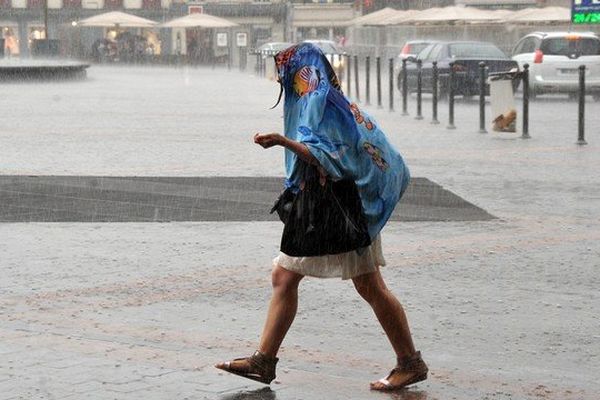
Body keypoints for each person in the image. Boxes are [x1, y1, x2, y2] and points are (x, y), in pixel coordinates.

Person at [215, 43, 427, 391]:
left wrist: (283, 142)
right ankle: (264, 360)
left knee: (363, 285)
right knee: (291, 277)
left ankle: (410, 362)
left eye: (297, 75)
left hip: (340, 208)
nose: (292, 83)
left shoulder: (327, 106)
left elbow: (329, 157)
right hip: (332, 205)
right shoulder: (322, 102)